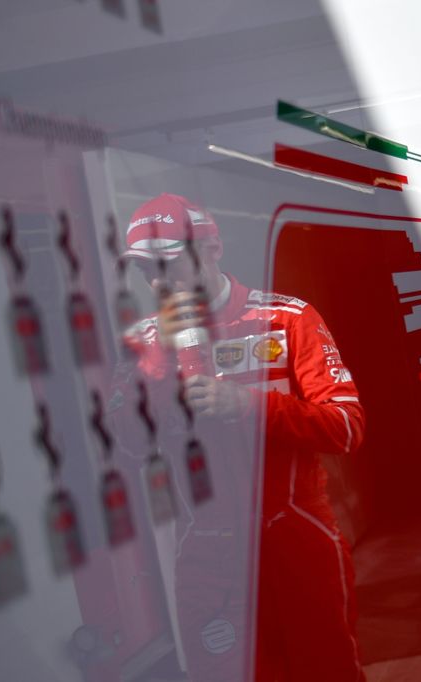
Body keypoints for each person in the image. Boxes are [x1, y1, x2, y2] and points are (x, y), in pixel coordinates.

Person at [113, 193, 367, 681]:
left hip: (295, 535)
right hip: (208, 552)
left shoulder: (287, 319)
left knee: (328, 671)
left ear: (212, 249)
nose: (157, 281)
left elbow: (348, 426)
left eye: (167, 262)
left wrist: (250, 406)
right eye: (144, 270)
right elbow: (122, 449)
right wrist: (161, 371)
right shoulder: (142, 345)